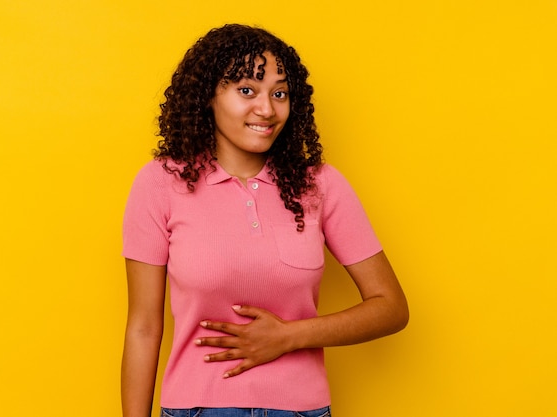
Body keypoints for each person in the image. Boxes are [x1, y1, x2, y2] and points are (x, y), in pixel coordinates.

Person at [121, 23, 409, 417]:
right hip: (196, 409)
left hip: (301, 411)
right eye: (246, 91)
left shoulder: (319, 185)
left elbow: (390, 306)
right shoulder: (160, 183)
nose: (267, 109)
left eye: (279, 93)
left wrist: (289, 337)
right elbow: (142, 327)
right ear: (209, 96)